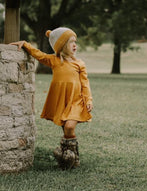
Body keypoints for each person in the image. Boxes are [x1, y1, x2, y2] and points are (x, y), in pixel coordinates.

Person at [10, 27, 93, 170]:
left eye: (75, 42)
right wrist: (25, 44)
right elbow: (39, 55)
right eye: (71, 42)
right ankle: (71, 156)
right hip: (61, 100)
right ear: (61, 46)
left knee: (69, 126)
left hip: (76, 100)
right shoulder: (54, 60)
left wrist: (89, 99)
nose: (75, 45)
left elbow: (85, 83)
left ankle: (67, 152)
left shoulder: (79, 63)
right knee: (66, 129)